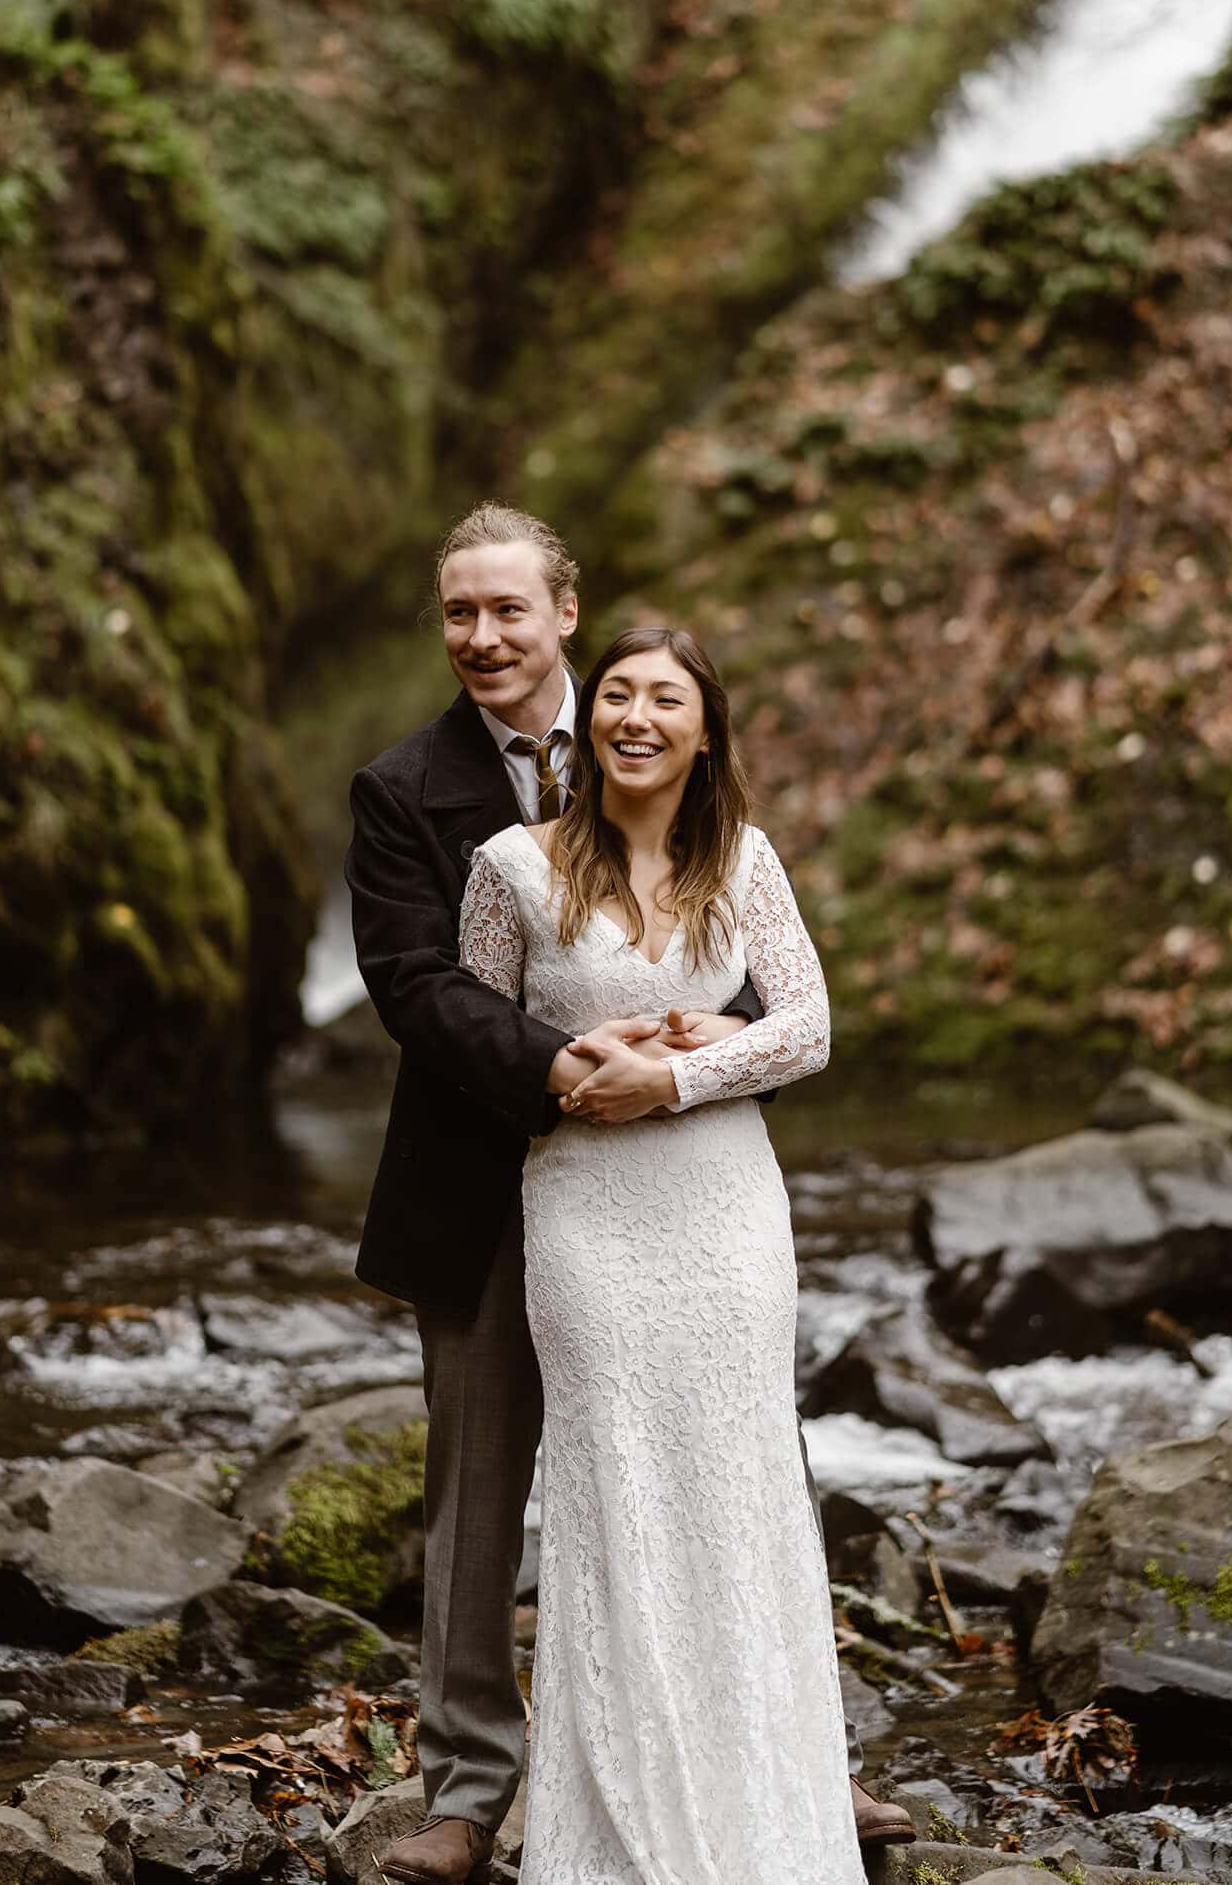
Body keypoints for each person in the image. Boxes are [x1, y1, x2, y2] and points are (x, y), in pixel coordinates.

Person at [347, 506, 790, 1885]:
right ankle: (469, 1791)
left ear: (565, 614)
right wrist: (565, 1064)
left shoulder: (656, 746)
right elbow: (418, 987)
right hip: (482, 1178)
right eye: (457, 614)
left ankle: (769, 1755)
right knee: (475, 1490)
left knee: (718, 1459)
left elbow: (761, 982)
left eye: (507, 611)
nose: (482, 637)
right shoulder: (401, 787)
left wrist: (692, 1057)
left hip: (670, 1185)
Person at [458, 625, 872, 1885]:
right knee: (614, 1486)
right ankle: (618, 1829)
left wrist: (679, 1074)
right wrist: (578, 1067)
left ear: (705, 732)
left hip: (726, 1211)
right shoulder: (510, 865)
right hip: (583, 1213)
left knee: (741, 1485)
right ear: (587, 724)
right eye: (619, 694)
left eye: (666, 699)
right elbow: (477, 1034)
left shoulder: (742, 860)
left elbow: (805, 1027)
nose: (637, 716)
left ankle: (768, 1811)